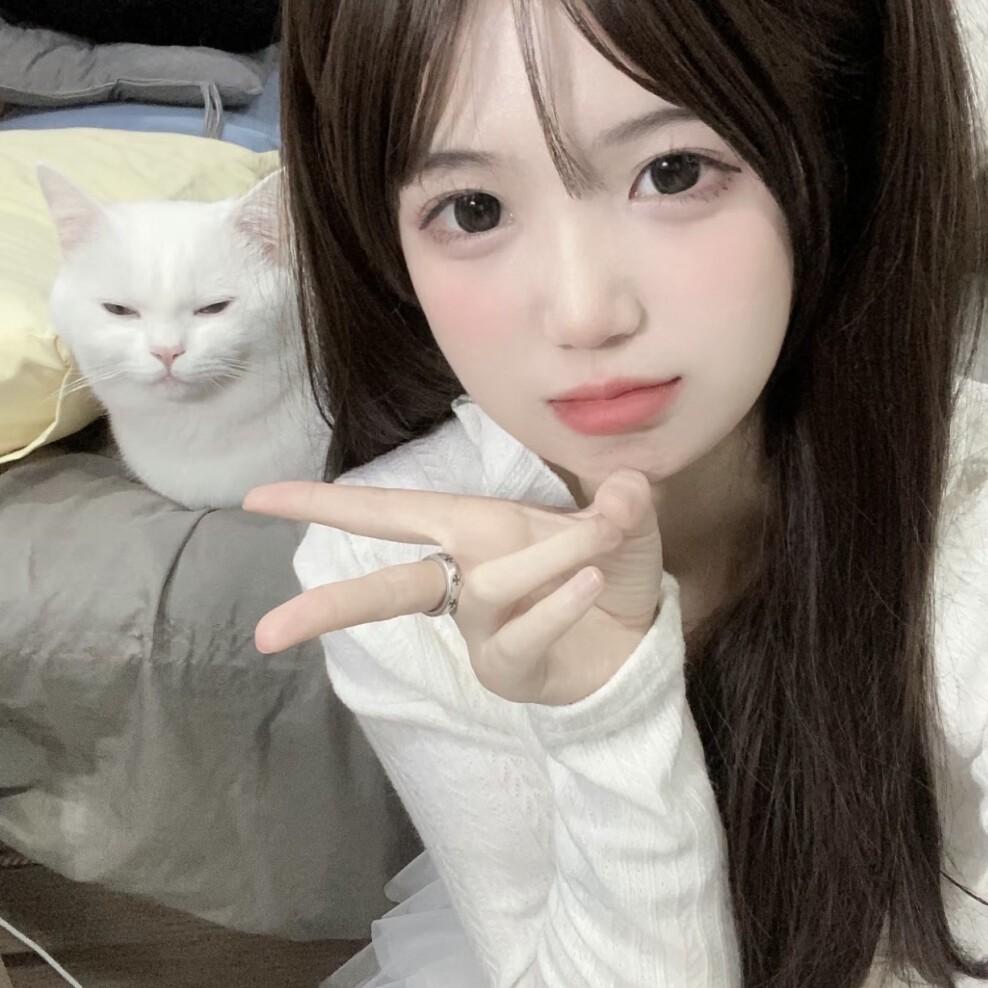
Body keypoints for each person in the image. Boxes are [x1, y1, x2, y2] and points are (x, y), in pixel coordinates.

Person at [243, 0, 988, 985]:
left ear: (834, 152)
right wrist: (605, 718)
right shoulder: (407, 563)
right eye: (472, 209)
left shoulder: (964, 521)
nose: (584, 311)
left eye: (673, 171)